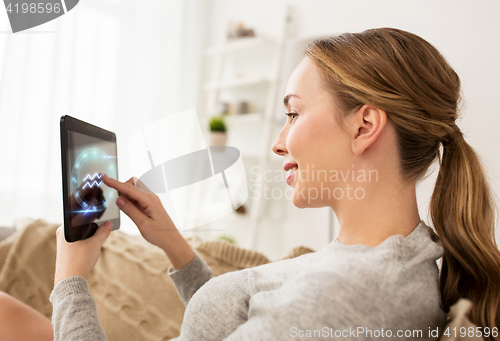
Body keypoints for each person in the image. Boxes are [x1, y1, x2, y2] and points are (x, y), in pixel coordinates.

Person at [1, 27, 499, 340]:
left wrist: (70, 279)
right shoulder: (394, 254)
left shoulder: (345, 297)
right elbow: (248, 316)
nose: (280, 143)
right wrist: (174, 244)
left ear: (365, 125)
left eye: (293, 114)